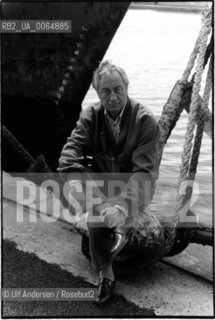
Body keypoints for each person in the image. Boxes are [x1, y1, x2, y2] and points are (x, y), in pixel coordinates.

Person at [58, 60, 160, 304]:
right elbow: (69, 154)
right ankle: (109, 261)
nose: (113, 97)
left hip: (134, 188)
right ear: (97, 93)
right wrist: (74, 183)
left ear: (127, 87)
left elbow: (144, 173)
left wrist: (123, 207)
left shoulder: (145, 121)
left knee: (96, 220)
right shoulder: (90, 116)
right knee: (73, 179)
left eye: (118, 90)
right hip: (102, 189)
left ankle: (105, 273)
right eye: (105, 91)